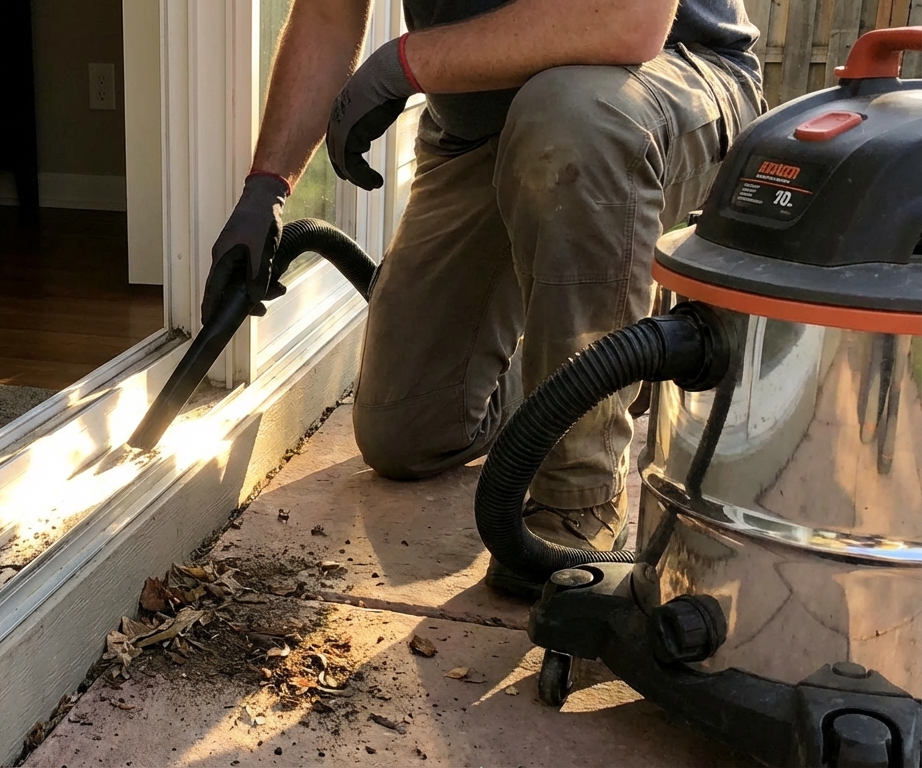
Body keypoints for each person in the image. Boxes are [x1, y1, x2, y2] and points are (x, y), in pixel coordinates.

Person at [200, 0, 764, 597]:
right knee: (406, 432)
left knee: (571, 117)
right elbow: (326, 16)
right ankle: (608, 363)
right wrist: (266, 190)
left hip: (649, 89)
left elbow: (625, 19)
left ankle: (581, 493)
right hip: (477, 121)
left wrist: (402, 63)